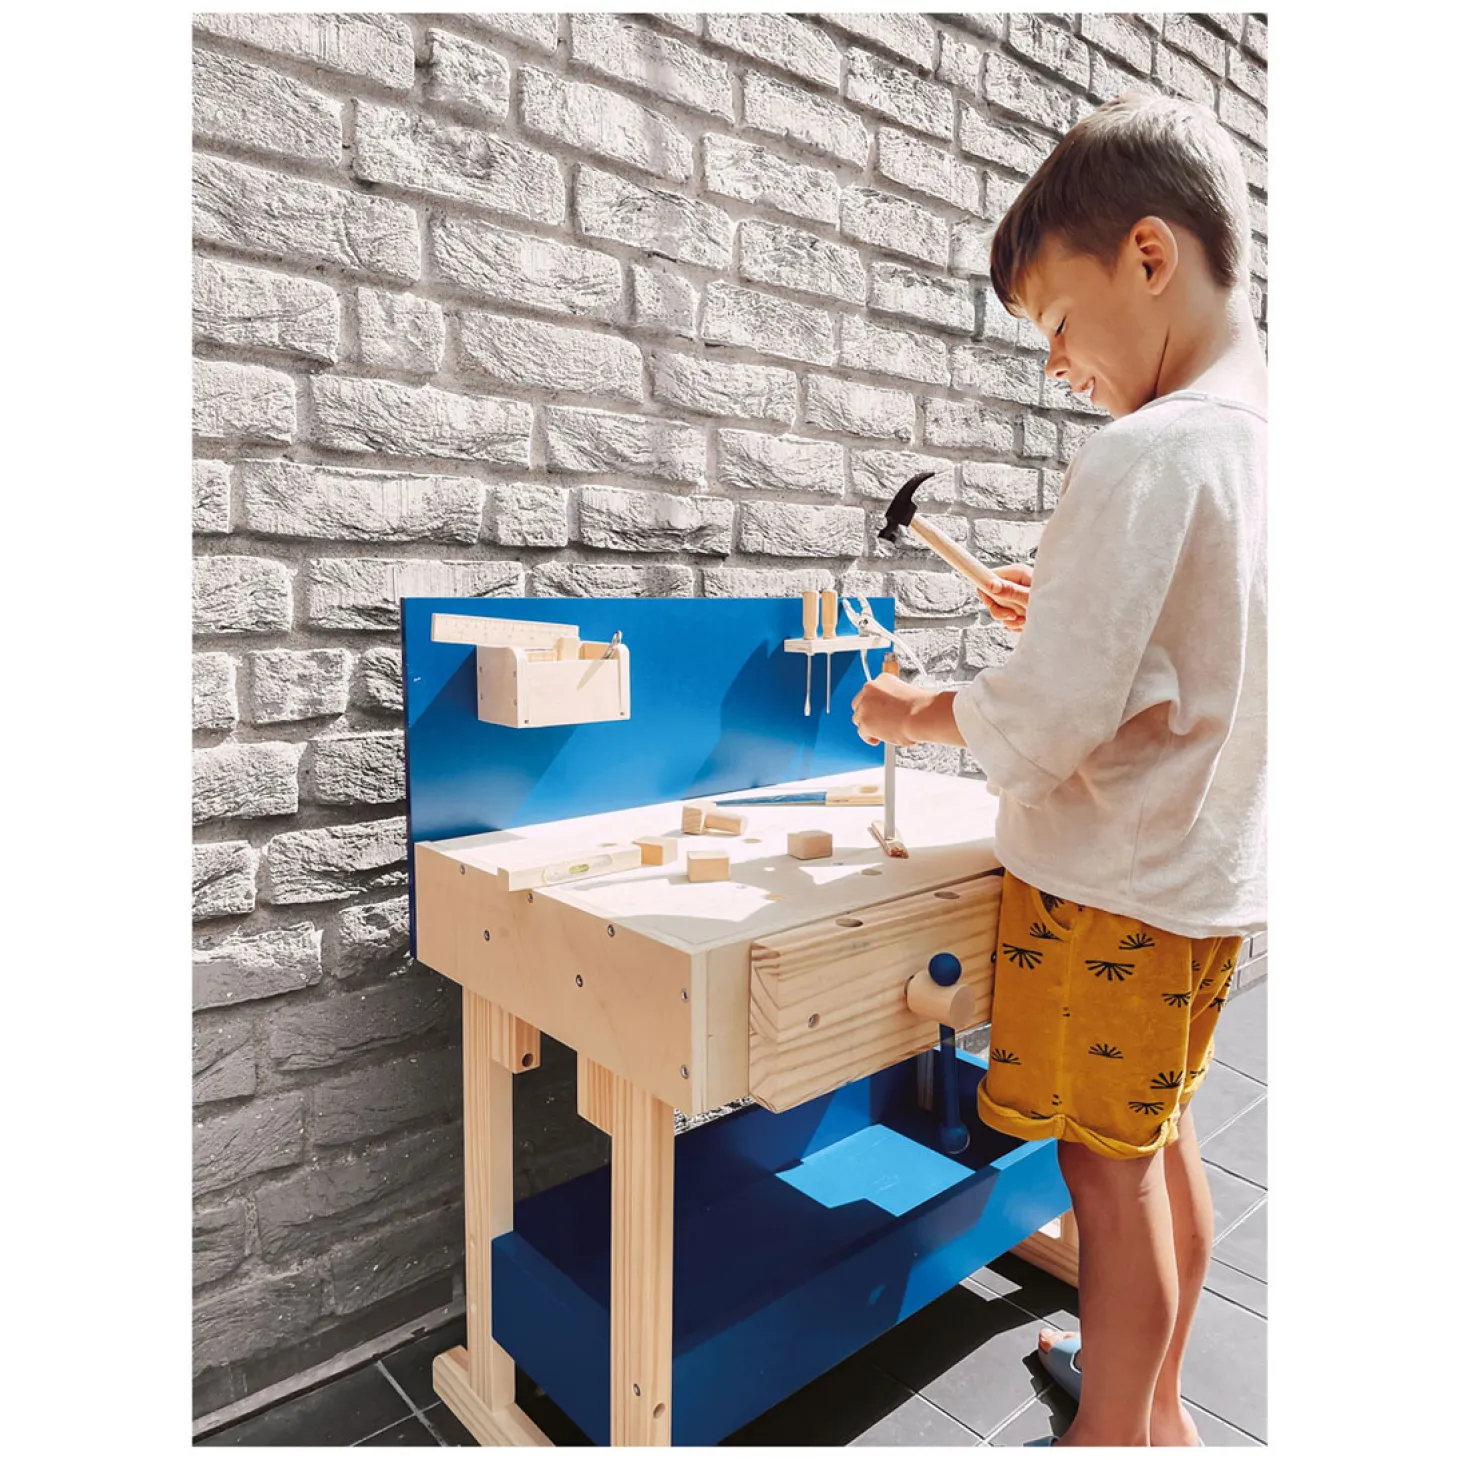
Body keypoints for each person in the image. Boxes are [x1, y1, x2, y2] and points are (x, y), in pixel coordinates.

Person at [850, 88, 1266, 1447]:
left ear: (1148, 256)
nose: (1055, 364)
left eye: (1056, 322)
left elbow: (1041, 722)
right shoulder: (1262, 450)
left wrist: (907, 710)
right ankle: (1160, 1413)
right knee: (1160, 1142)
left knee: (1105, 1178)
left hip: (1112, 898)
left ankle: (1114, 1437)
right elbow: (1197, 653)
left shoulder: (1147, 453)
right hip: (1198, 885)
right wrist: (1077, 609)